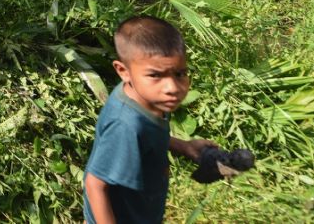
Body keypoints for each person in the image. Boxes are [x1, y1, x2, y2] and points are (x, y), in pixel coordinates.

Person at [83, 16, 218, 224]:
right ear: (123, 71)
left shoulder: (150, 97)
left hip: (142, 209)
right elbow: (95, 185)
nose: (172, 87)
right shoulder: (125, 124)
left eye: (180, 73)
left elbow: (146, 137)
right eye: (155, 75)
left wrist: (183, 146)